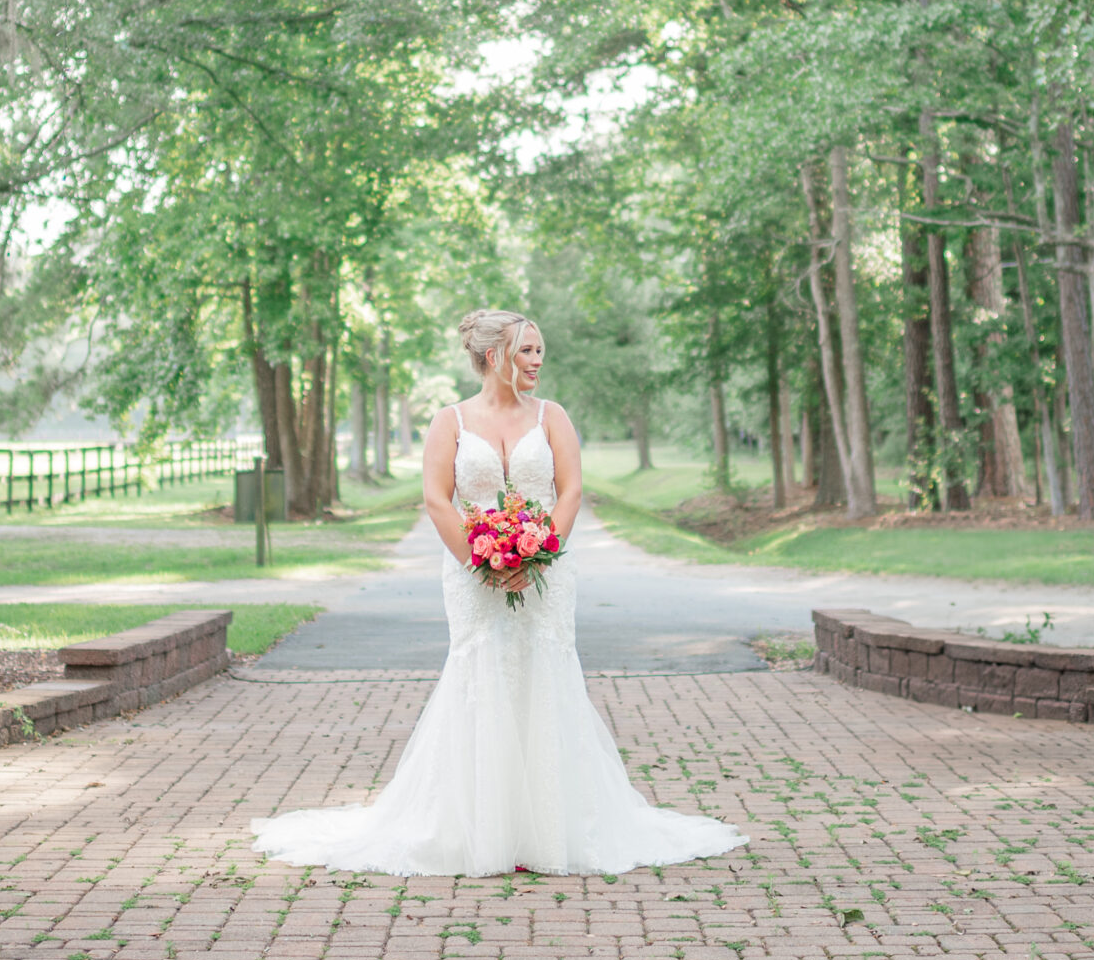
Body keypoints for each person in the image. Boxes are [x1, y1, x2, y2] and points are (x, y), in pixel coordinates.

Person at [250, 308, 744, 876]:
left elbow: (572, 490)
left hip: (547, 574)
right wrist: (478, 563)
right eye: (527, 351)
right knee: (481, 675)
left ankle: (550, 832)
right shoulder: (450, 421)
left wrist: (538, 555)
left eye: (539, 352)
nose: (537, 362)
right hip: (471, 575)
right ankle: (481, 830)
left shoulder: (552, 417)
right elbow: (438, 499)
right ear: (494, 358)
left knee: (545, 672)